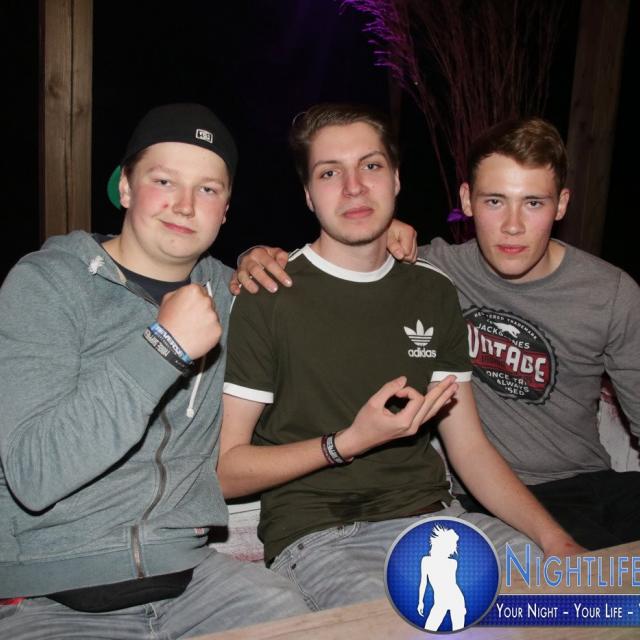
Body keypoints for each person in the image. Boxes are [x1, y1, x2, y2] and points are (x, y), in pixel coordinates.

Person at [218, 103, 581, 612]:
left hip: (438, 522)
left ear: (395, 180)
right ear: (308, 194)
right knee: (412, 625)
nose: (354, 187)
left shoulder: (433, 290)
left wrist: (555, 540)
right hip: (322, 535)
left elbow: (469, 448)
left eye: (370, 166)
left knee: (586, 603)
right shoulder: (269, 294)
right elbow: (227, 470)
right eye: (330, 173)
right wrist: (345, 444)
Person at [0, 103, 310, 639]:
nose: (185, 205)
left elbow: (342, 294)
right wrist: (163, 347)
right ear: (125, 188)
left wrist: (389, 239)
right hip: (50, 598)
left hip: (194, 583)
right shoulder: (46, 285)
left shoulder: (234, 295)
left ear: (225, 210)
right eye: (164, 181)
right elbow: (33, 474)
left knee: (302, 621)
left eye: (207, 189)